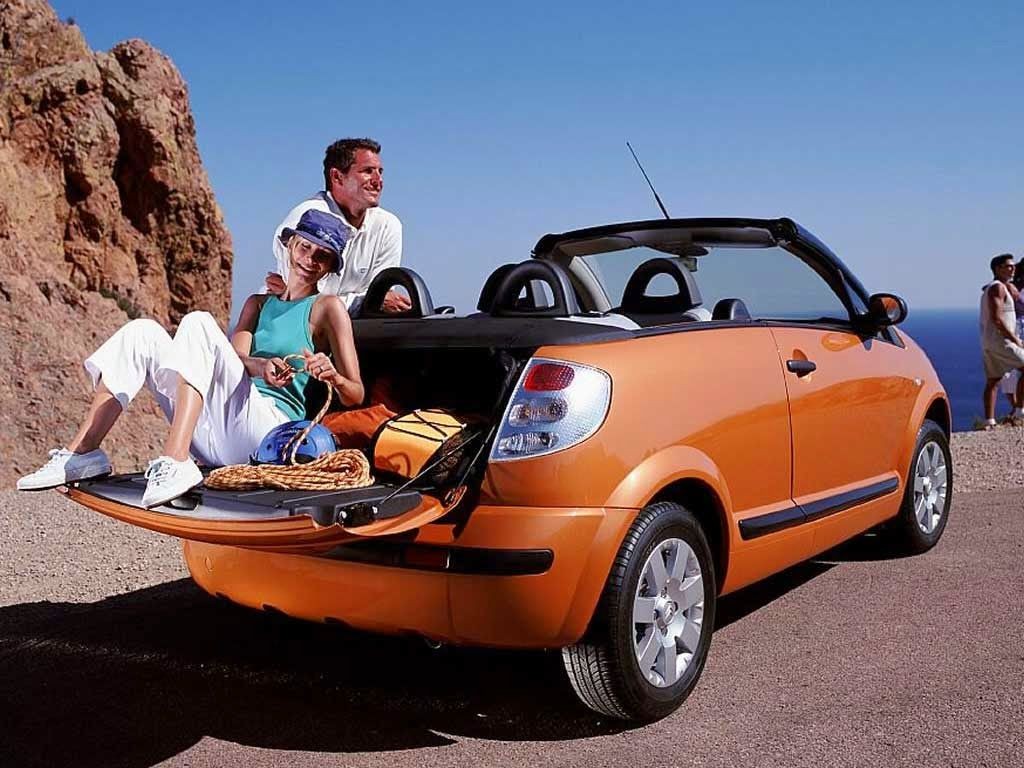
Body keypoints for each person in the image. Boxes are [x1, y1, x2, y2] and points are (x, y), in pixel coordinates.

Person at [18, 210, 365, 507]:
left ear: (329, 267)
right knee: (141, 332)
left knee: (198, 321)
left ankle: (176, 458)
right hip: (220, 431)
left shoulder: (327, 308)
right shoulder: (258, 304)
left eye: (322, 256)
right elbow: (236, 359)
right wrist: (261, 366)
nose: (309, 260)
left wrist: (333, 376)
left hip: (269, 433)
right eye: (304, 247)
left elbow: (356, 393)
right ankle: (83, 452)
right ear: (290, 246)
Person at [267, 138, 411, 315]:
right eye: (367, 171)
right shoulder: (306, 218)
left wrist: (372, 302)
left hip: (355, 327)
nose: (378, 181)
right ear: (336, 177)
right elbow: (298, 301)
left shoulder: (388, 226)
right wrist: (366, 302)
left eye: (380, 172)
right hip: (288, 321)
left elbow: (382, 296)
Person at [979, 253, 1024, 429]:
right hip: (1001, 341)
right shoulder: (997, 288)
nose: (1012, 269)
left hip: (989, 342)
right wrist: (1015, 339)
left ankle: (989, 421)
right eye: (1008, 266)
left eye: (1013, 266)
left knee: (993, 381)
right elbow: (997, 319)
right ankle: (1020, 411)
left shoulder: (998, 287)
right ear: (997, 269)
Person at [998, 257, 1024, 411]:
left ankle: (1018, 408)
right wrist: (1008, 285)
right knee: (1010, 371)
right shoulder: (1011, 286)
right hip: (1015, 328)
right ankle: (1016, 408)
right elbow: (988, 288)